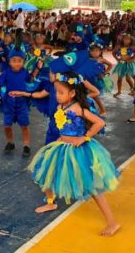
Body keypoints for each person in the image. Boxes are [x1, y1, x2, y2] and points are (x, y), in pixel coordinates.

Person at [28, 71, 120, 237]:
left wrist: (85, 138)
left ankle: (112, 222)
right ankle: (50, 202)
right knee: (45, 173)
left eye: (61, 92)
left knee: (92, 187)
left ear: (72, 93)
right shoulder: (60, 107)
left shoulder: (78, 108)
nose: (57, 95)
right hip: (62, 146)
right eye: (56, 92)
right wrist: (58, 139)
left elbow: (99, 122)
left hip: (78, 151)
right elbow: (64, 128)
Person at [0, 41, 37, 157]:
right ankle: (10, 142)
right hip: (8, 103)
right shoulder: (5, 73)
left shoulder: (25, 72)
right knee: (7, 125)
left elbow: (31, 80)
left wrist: (37, 68)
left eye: (19, 61)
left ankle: (26, 145)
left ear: (23, 62)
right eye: (14, 61)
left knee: (24, 125)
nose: (17, 63)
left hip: (22, 103)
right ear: (9, 62)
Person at [88, 41, 113, 116]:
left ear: (100, 51)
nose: (94, 52)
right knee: (89, 95)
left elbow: (110, 65)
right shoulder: (87, 59)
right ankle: (89, 109)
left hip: (96, 80)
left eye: (97, 51)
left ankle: (102, 109)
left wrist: (106, 72)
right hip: (88, 79)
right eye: (92, 50)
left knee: (95, 96)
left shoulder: (101, 59)